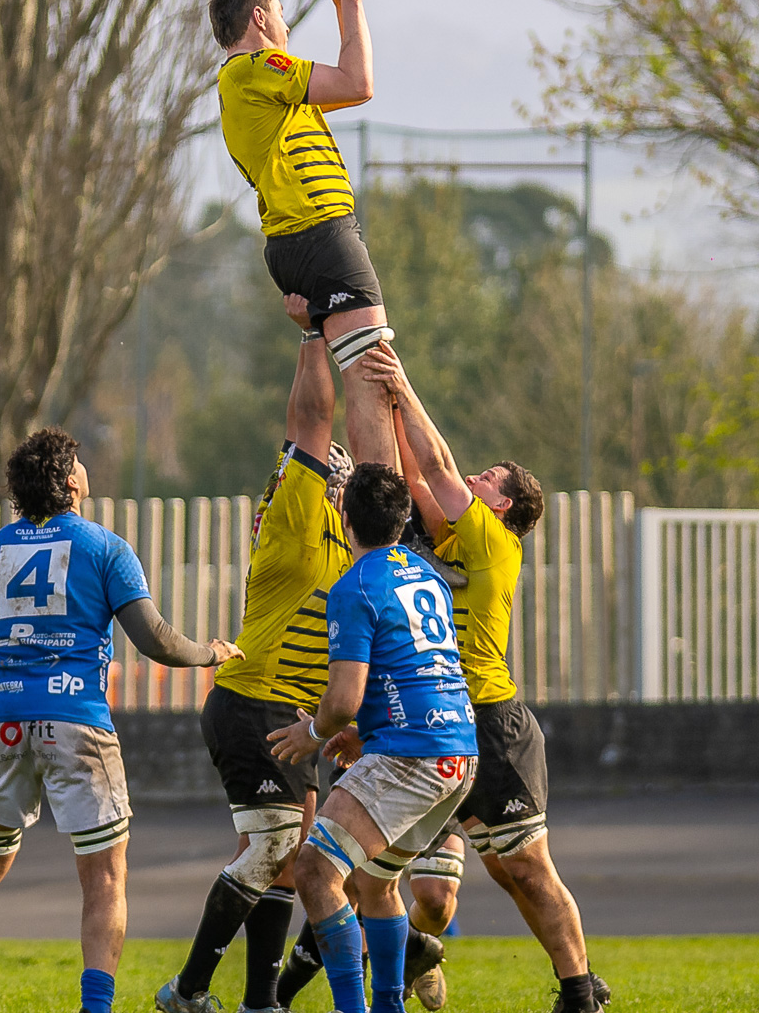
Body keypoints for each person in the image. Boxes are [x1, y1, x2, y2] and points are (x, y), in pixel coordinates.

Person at [159, 297, 445, 1013]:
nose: (339, 474)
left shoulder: (359, 544)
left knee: (290, 865)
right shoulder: (294, 515)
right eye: (331, 472)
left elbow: (382, 469)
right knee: (273, 851)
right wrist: (318, 331)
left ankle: (262, 1001)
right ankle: (189, 990)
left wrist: (391, 385)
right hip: (252, 701)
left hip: (301, 715)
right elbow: (310, 422)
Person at [0, 428, 244, 1013]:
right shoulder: (105, 548)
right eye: (77, 463)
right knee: (105, 875)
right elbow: (154, 640)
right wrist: (212, 653)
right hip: (76, 721)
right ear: (70, 481)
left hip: (0, 723)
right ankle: (95, 1008)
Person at [359, 342, 608, 1013]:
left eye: (486, 479)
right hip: (436, 729)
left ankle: (581, 989)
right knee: (467, 880)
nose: (471, 479)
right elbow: (416, 479)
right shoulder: (447, 539)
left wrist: (403, 386)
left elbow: (435, 467)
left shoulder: (496, 544)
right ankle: (415, 949)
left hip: (494, 727)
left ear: (503, 508)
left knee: (527, 866)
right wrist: (384, 403)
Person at [265, 462, 477, 1013]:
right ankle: (388, 1005)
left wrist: (313, 732)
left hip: (413, 755)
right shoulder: (427, 574)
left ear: (342, 514)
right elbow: (416, 669)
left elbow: (340, 700)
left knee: (314, 869)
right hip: (458, 751)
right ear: (404, 517)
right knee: (376, 882)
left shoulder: (354, 585)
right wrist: (368, 731)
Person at [211, 0, 398, 468]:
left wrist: (343, 1)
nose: (288, 28)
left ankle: (370, 511)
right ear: (259, 20)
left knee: (351, 369)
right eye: (282, 16)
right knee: (374, 374)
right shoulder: (256, 71)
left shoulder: (252, 89)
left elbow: (339, 85)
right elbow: (358, 82)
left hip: (290, 243)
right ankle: (383, 528)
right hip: (321, 234)